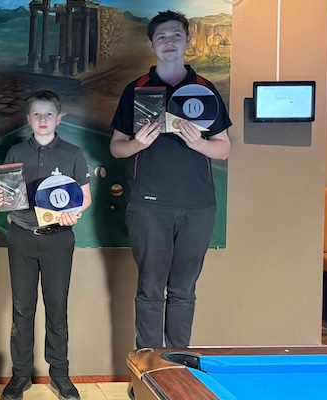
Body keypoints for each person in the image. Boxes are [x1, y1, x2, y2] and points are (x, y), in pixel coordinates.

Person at [109, 10, 231, 351]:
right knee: (150, 290)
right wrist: (138, 143)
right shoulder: (136, 90)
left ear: (187, 41)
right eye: (161, 36)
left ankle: (177, 365)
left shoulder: (204, 89)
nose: (169, 42)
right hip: (148, 207)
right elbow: (117, 148)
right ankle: (149, 369)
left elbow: (223, 149)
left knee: (183, 291)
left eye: (176, 35)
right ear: (151, 45)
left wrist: (198, 143)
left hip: (198, 207)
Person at [0, 90, 92, 400]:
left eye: (49, 114)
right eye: (37, 114)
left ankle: (60, 374)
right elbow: (7, 195)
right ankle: (21, 375)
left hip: (59, 239)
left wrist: (75, 212)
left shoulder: (73, 153)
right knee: (22, 309)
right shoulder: (16, 151)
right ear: (28, 119)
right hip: (21, 237)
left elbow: (85, 197)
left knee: (56, 309)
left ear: (59, 119)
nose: (43, 119)